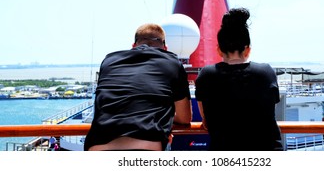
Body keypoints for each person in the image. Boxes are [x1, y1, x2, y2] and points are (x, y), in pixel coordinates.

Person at [84, 23, 192, 151]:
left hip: (97, 147)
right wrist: (162, 118)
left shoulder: (109, 60)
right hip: (146, 147)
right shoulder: (173, 62)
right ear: (165, 48)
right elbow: (185, 118)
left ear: (133, 46)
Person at [195, 8, 283, 151]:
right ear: (247, 50)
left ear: (219, 50)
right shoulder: (266, 72)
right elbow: (269, 113)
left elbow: (206, 121)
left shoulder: (206, 75)